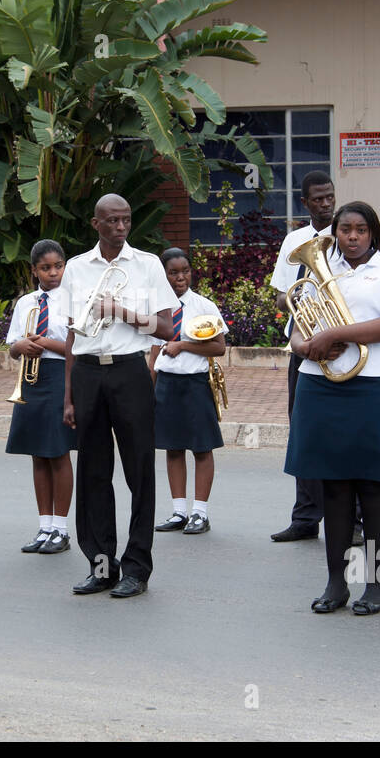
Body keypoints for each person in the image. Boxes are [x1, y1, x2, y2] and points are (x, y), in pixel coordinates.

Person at [285, 201, 380, 616]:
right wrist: (308, 345)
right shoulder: (317, 268)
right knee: (333, 486)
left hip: (375, 385)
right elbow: (298, 330)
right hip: (321, 385)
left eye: (360, 230)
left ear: (373, 232)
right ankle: (336, 581)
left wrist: (334, 332)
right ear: (335, 232)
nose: (352, 237)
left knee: (374, 486)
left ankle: (377, 584)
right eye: (345, 230)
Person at [62, 194, 177, 599]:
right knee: (93, 474)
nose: (120, 227)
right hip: (89, 372)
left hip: (130, 371)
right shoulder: (75, 268)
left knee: (139, 472)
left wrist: (122, 311)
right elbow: (71, 336)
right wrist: (68, 397)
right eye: (111, 221)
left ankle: (137, 569)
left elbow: (166, 329)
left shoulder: (147, 265)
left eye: (126, 220)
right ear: (96, 224)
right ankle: (100, 566)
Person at [267, 170, 335, 543]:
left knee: (342, 433)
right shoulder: (295, 240)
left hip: (342, 345)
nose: (326, 204)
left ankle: (353, 519)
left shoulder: (349, 230)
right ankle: (306, 517)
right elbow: (280, 295)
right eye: (319, 199)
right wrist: (303, 294)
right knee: (304, 431)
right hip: (305, 344)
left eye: (330, 197)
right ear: (305, 203)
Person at [148, 248, 226, 536]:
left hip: (195, 384)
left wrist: (183, 345)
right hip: (167, 384)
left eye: (185, 271)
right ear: (164, 275)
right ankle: (179, 511)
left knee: (202, 448)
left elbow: (219, 347)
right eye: (173, 272)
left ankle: (199, 513)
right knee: (173, 447)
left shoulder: (204, 306)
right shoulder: (157, 310)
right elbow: (154, 352)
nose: (180, 277)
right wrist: (149, 387)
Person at [6, 239, 76, 555]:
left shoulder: (74, 300)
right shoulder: (26, 303)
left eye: (58, 266)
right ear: (34, 270)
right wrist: (19, 347)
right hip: (31, 380)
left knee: (58, 452)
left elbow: (79, 348)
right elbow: (12, 346)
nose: (53, 273)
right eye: (45, 268)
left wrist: (45, 343)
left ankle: (61, 530)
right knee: (38, 454)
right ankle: (44, 526)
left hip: (60, 379)